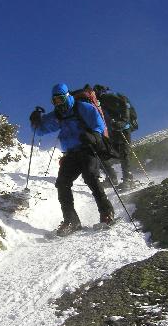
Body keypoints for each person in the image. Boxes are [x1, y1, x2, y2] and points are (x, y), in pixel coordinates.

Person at [30, 83, 115, 236]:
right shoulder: (57, 115)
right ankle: (71, 221)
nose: (58, 104)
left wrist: (93, 136)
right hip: (70, 153)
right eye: (54, 101)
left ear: (67, 96)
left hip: (87, 148)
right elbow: (41, 130)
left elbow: (98, 124)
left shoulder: (83, 107)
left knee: (91, 177)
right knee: (62, 184)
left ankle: (106, 213)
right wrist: (35, 122)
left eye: (61, 99)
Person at [93, 85, 136, 189]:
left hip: (123, 129)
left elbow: (125, 105)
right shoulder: (102, 102)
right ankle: (115, 178)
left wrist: (123, 122)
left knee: (123, 153)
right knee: (110, 153)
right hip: (114, 131)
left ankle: (127, 180)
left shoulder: (107, 98)